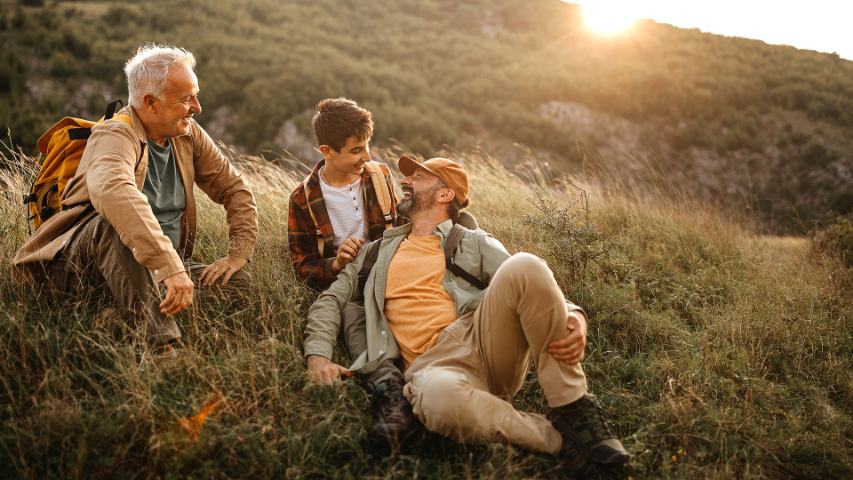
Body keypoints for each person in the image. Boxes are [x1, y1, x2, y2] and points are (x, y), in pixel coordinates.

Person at [304, 155, 629, 471]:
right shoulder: (375, 252)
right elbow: (330, 300)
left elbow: (529, 280)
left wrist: (574, 315)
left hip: (483, 339)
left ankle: (572, 406)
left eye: (418, 177)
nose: (405, 181)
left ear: (445, 193)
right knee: (437, 402)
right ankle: (559, 440)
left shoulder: (472, 241)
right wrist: (317, 356)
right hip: (431, 369)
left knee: (525, 263)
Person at [12, 44, 258, 362]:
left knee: (235, 284)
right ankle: (163, 350)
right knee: (114, 223)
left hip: (157, 269)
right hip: (84, 267)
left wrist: (237, 255)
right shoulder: (115, 134)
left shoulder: (188, 134)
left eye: (195, 95)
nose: (197, 107)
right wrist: (169, 267)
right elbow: (113, 190)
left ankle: (115, 318)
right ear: (150, 103)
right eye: (186, 99)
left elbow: (235, 189)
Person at [287, 98, 412, 443]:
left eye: (367, 147)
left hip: (393, 268)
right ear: (327, 150)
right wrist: (336, 263)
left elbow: (405, 226)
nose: (366, 157)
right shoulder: (303, 199)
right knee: (354, 318)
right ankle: (391, 396)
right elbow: (303, 266)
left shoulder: (380, 176)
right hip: (351, 282)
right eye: (356, 150)